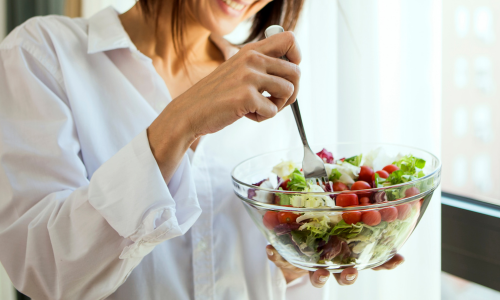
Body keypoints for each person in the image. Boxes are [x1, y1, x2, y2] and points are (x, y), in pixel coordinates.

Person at [0, 0, 404, 299]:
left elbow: (263, 276)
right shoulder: (43, 53)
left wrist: (298, 261)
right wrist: (181, 122)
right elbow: (43, 268)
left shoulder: (267, 84)